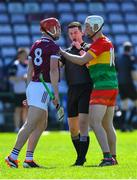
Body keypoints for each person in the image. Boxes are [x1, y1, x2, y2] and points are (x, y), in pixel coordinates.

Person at [60, 15, 118, 166]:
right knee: (107, 124)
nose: (85, 30)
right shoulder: (106, 42)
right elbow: (90, 64)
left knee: (94, 122)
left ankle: (107, 158)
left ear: (95, 27)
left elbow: (81, 61)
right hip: (112, 86)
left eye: (86, 27)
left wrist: (63, 53)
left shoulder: (99, 43)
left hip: (101, 86)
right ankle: (113, 156)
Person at [5, 17, 61, 168]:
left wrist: (28, 91)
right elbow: (54, 70)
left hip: (35, 86)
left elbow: (30, 70)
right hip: (43, 87)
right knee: (30, 124)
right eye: (57, 27)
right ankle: (12, 156)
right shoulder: (53, 46)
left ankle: (29, 159)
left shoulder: (35, 44)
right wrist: (56, 93)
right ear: (50, 29)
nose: (59, 30)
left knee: (41, 124)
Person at [60, 22, 93, 166]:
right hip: (72, 90)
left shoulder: (89, 48)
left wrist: (80, 50)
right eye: (71, 33)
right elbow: (57, 67)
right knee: (73, 129)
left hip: (87, 89)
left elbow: (89, 65)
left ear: (82, 33)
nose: (73, 35)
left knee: (84, 124)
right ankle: (81, 156)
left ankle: (80, 159)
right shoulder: (66, 52)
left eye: (76, 32)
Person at [116, 41, 137, 132]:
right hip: (129, 84)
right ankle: (128, 123)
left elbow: (116, 71)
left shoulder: (119, 59)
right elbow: (134, 74)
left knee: (124, 105)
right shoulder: (130, 59)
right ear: (131, 49)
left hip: (120, 84)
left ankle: (122, 126)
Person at [9, 48, 28, 132]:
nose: (24, 56)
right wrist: (21, 78)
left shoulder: (28, 64)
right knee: (18, 109)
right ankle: (17, 127)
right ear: (19, 55)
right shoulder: (15, 65)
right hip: (18, 91)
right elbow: (11, 78)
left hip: (27, 91)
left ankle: (24, 127)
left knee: (25, 109)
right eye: (23, 54)